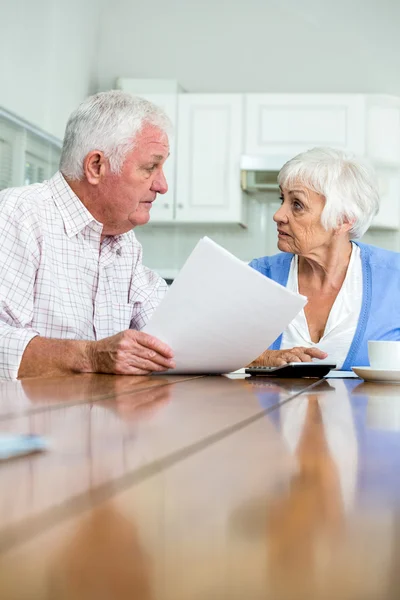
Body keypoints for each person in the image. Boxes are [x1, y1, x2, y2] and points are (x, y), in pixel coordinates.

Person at [0, 91, 176, 380]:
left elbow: (171, 334)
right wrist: (90, 356)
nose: (162, 185)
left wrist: (269, 358)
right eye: (150, 168)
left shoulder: (124, 241)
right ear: (96, 166)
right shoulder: (20, 214)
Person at [249, 147, 400, 370]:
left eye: (297, 204)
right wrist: (260, 358)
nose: (278, 215)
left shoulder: (393, 278)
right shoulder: (257, 276)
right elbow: (204, 349)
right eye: (282, 199)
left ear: (343, 220)